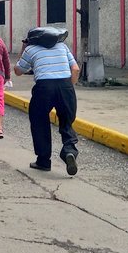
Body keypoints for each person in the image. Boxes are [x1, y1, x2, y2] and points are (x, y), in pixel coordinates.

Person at [15, 30, 80, 175]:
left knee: (39, 121)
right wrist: (69, 88)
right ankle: (69, 150)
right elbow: (75, 69)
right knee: (66, 120)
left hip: (44, 87)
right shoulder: (62, 47)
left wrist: (23, 48)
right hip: (66, 86)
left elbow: (18, 70)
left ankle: (43, 161)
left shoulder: (31, 49)